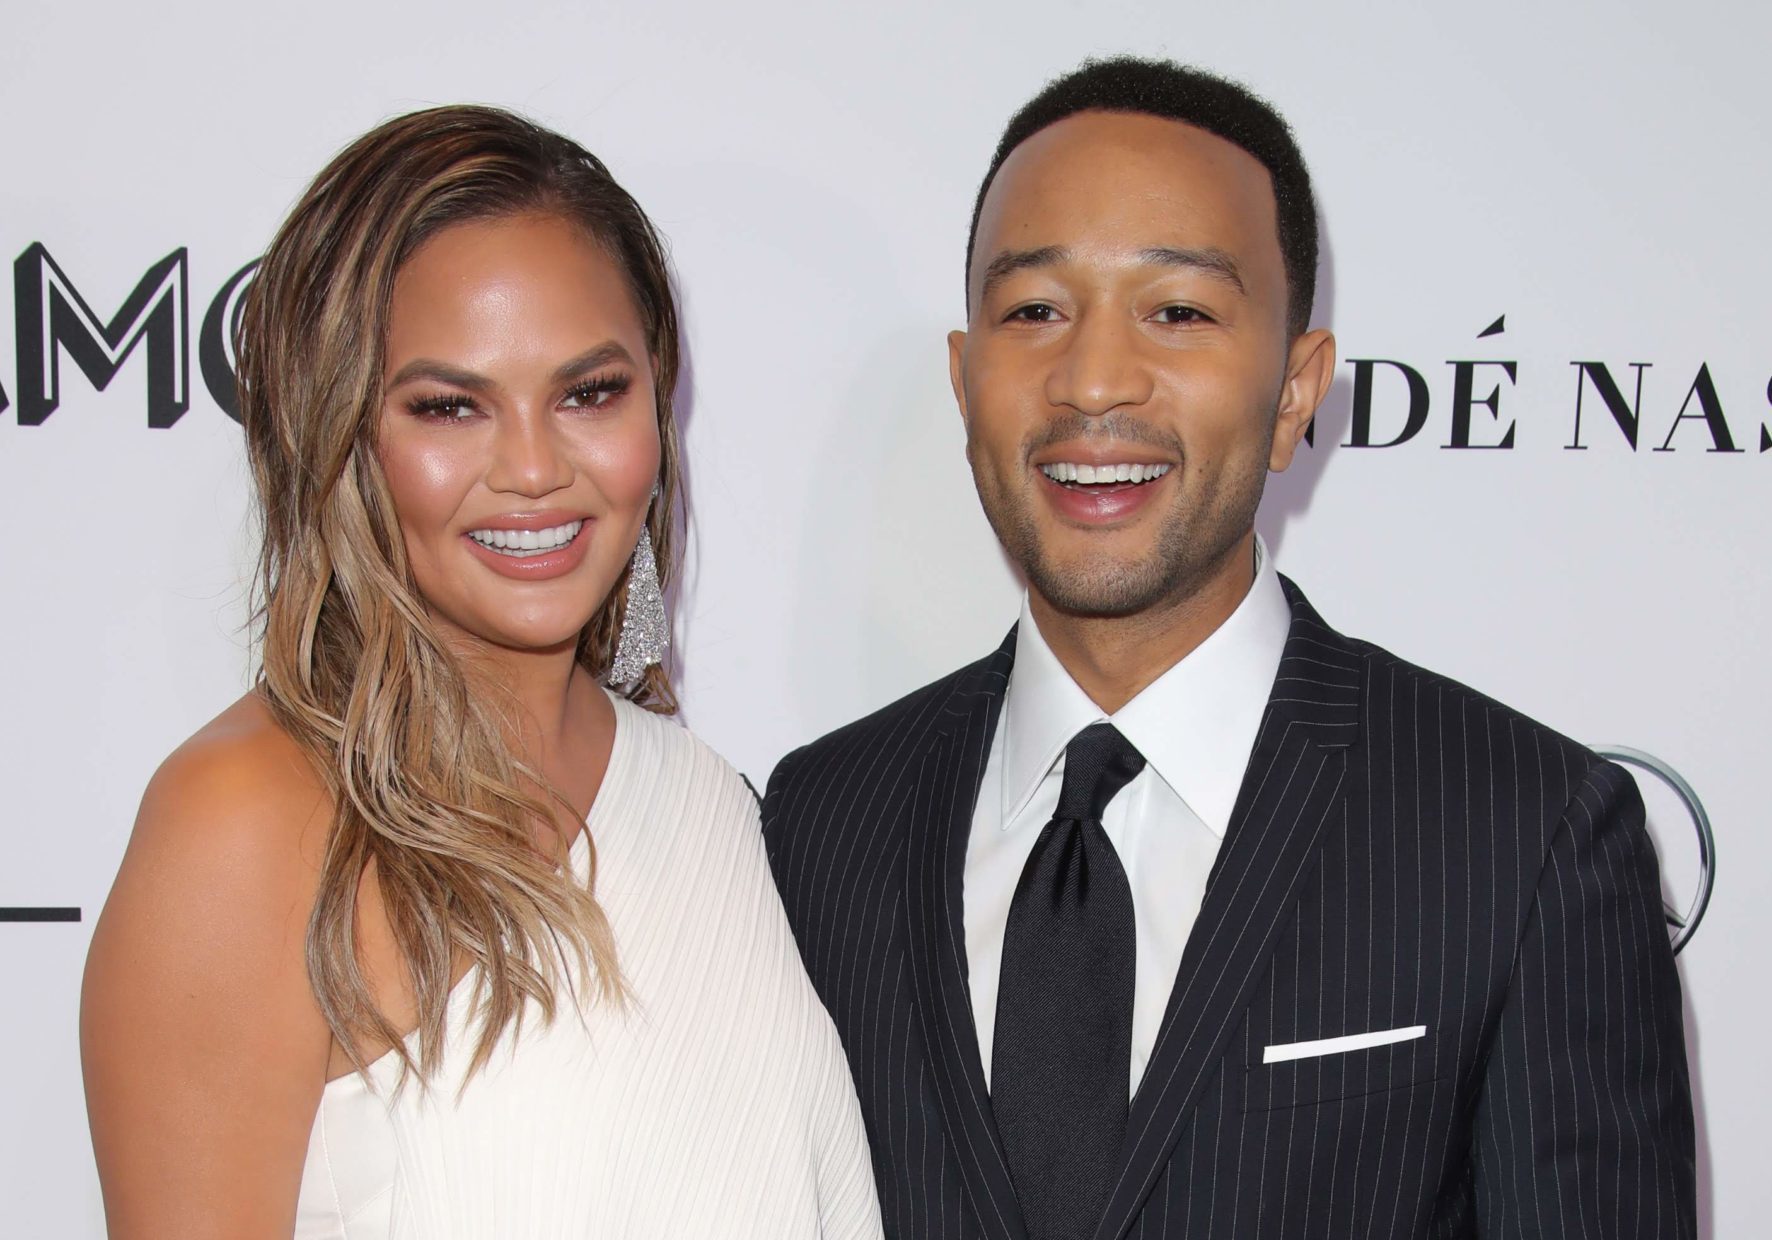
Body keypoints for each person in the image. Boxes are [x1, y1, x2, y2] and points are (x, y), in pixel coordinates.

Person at [762, 56, 1695, 1240]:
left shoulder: (1522, 833)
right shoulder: (821, 823)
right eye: (1034, 310)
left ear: (1296, 388)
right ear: (964, 378)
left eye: (1178, 312)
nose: (1093, 381)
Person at [81, 106, 882, 1240]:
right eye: (448, 407)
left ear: (659, 401)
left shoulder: (707, 801)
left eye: (589, 392)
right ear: (339, 435)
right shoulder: (245, 822)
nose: (533, 468)